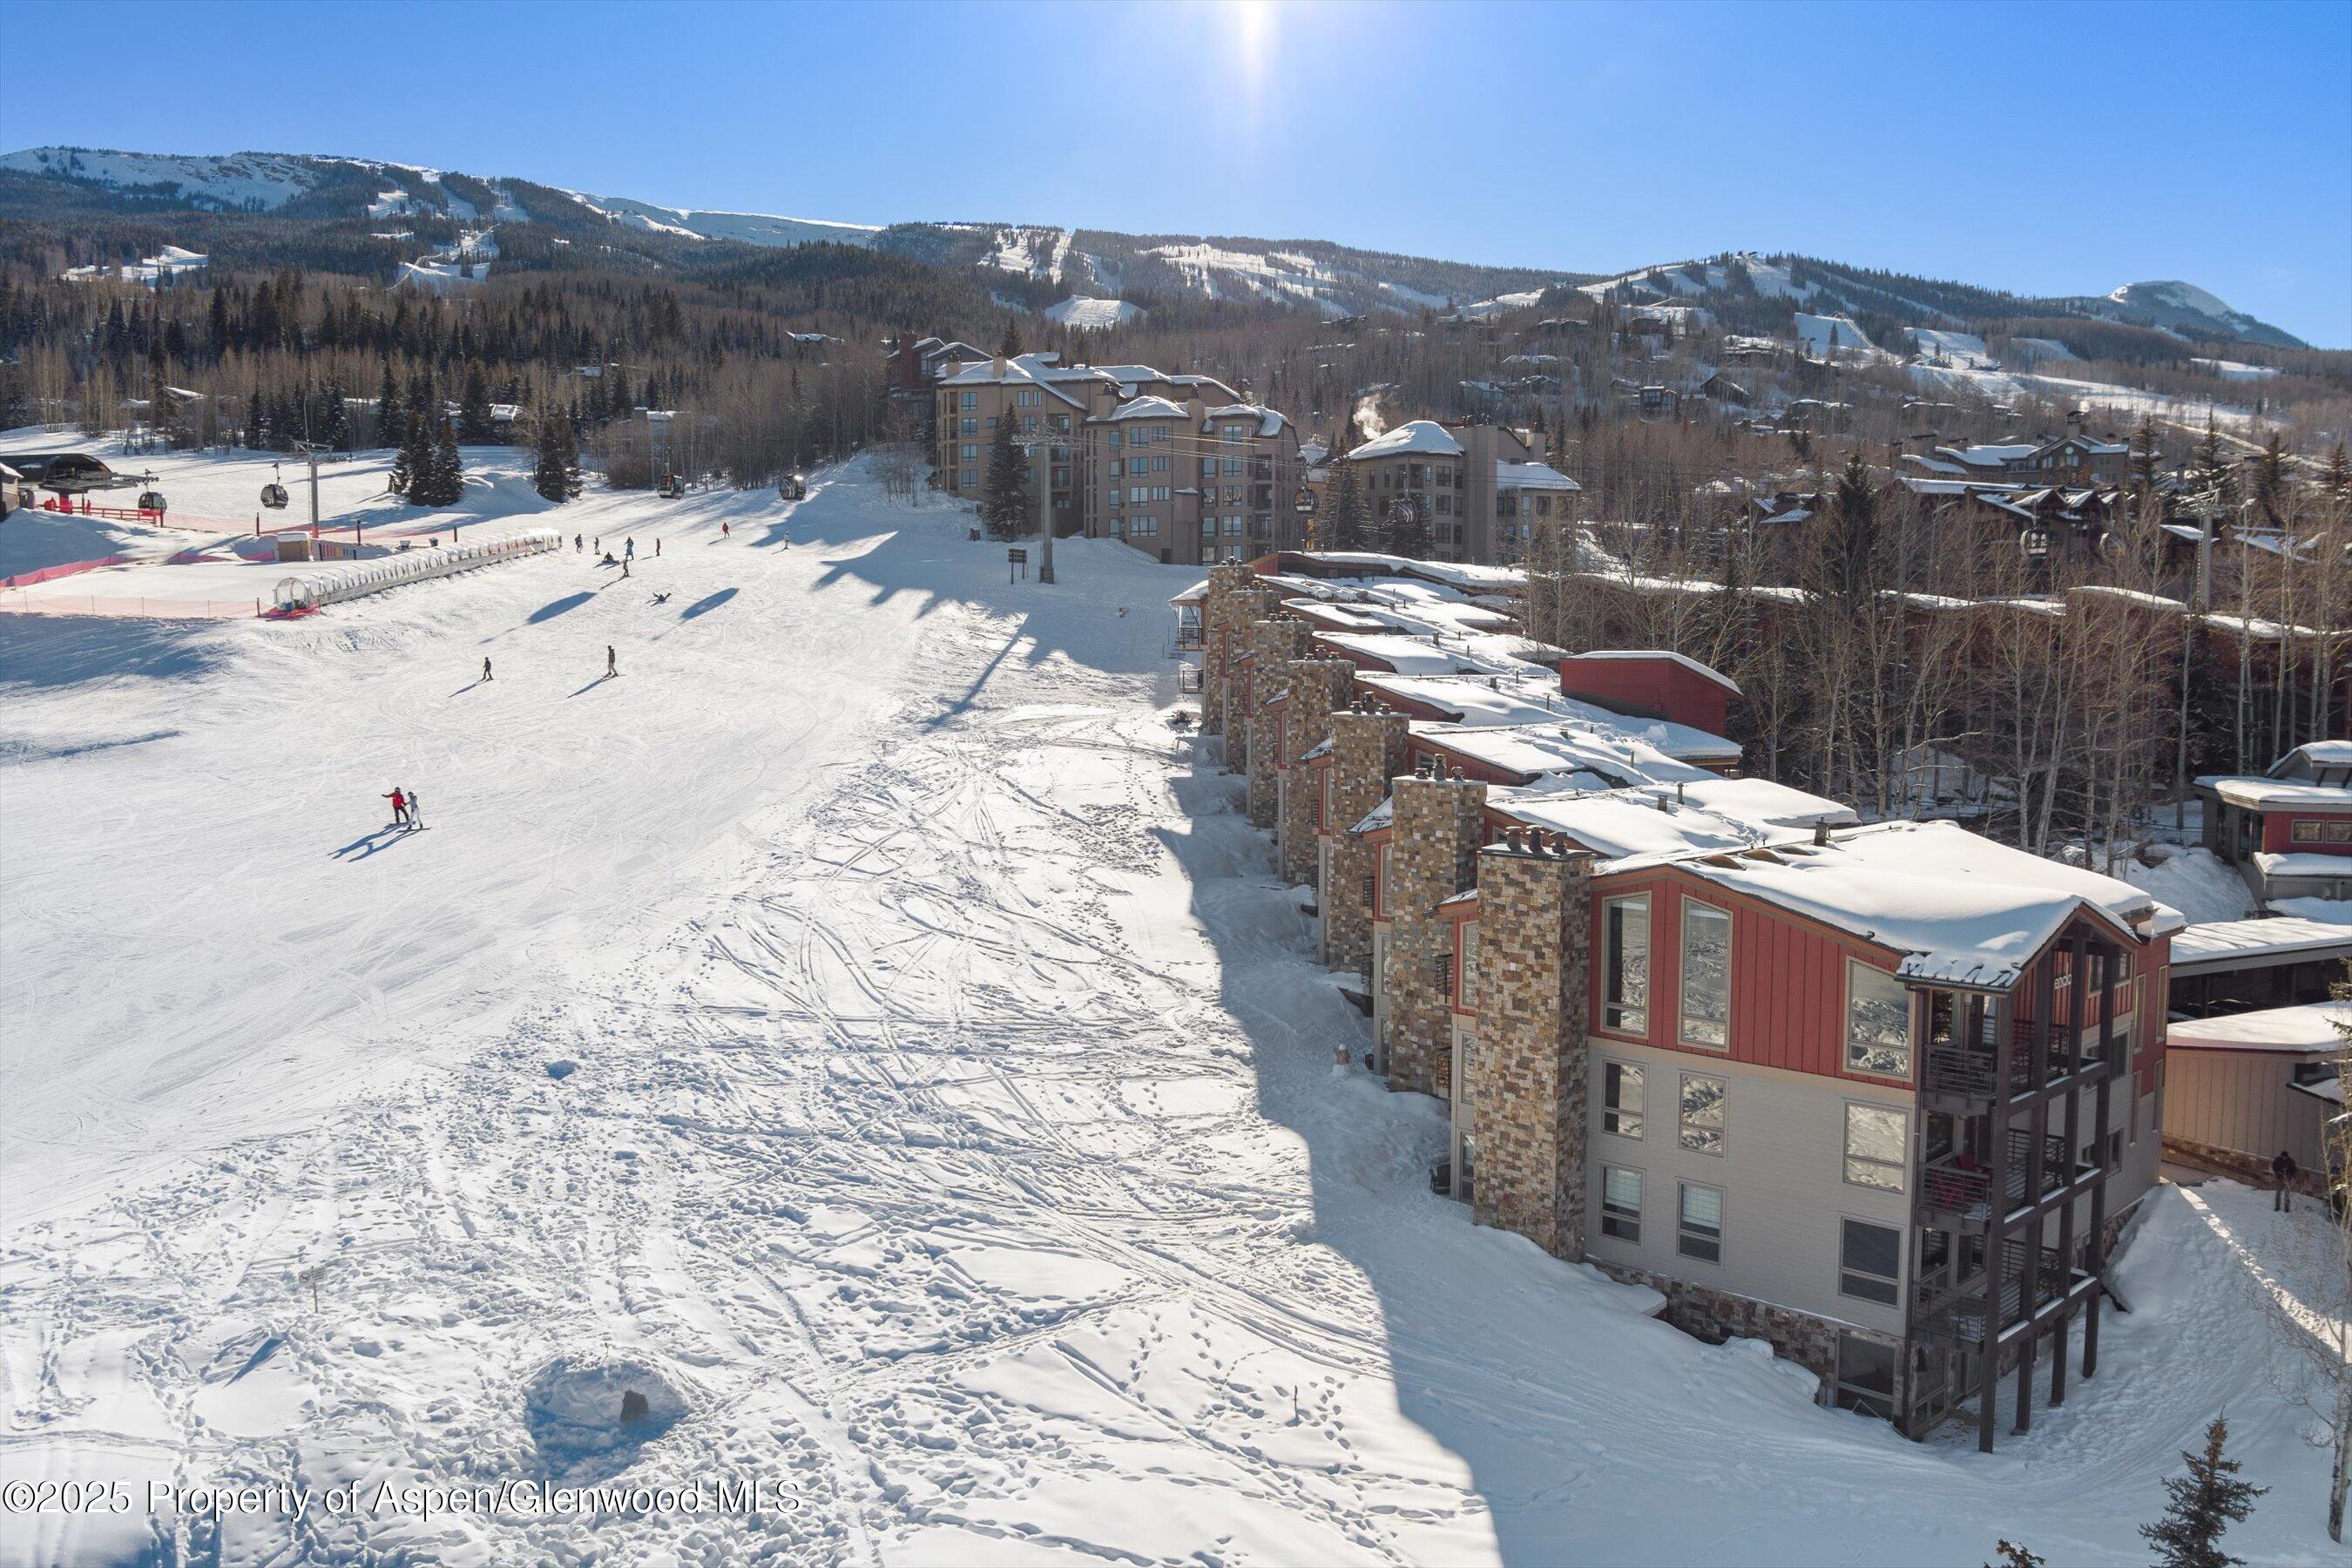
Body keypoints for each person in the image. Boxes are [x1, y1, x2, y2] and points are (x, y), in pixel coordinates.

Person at [2273, 1148, 2299, 1212]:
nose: (2283, 1158)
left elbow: (2294, 1170)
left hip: (2287, 1179)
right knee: (2278, 1192)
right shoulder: (2277, 1160)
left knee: (2287, 1193)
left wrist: (2290, 1175)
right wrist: (2278, 1173)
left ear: (2287, 1156)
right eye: (2283, 1157)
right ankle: (2277, 1206)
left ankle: (2287, 1208)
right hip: (2279, 1178)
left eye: (2285, 1157)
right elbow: (2274, 1168)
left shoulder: (2291, 1161)